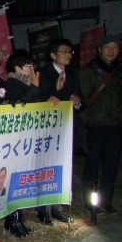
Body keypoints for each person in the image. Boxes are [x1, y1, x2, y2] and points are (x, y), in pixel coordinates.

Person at [37, 38, 80, 224]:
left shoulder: (73, 74)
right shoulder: (43, 73)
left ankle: (57, 207)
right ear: (53, 55)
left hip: (66, 128)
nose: (68, 55)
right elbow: (40, 96)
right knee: (46, 167)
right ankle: (43, 209)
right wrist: (54, 91)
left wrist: (78, 102)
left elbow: (80, 99)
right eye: (64, 51)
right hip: (47, 130)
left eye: (70, 51)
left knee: (63, 167)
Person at [80, 34, 122, 214]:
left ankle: (106, 201)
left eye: (115, 47)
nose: (111, 50)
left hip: (116, 125)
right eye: (107, 47)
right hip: (95, 125)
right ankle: (90, 202)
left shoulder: (120, 71)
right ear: (99, 50)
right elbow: (82, 98)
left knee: (111, 166)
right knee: (92, 165)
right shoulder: (88, 71)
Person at [1, 50, 41, 237]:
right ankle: (12, 219)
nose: (31, 69)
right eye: (27, 65)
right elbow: (19, 105)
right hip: (14, 141)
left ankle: (19, 216)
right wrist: (34, 88)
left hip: (27, 139)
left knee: (23, 176)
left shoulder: (26, 82)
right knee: (14, 177)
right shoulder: (12, 84)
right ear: (17, 68)